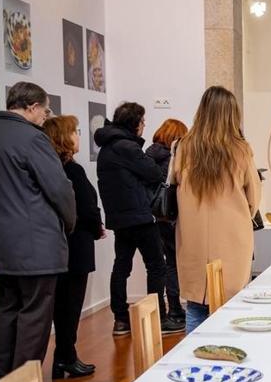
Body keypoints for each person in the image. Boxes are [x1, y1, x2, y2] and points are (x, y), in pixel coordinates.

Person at [0, 82, 75, 382]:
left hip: (1, 242)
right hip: (36, 245)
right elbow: (59, 189)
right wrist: (69, 223)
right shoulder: (32, 138)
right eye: (45, 110)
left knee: (10, 310)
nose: (46, 117)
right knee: (35, 315)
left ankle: (3, 380)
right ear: (31, 107)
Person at [173, 86, 262, 332]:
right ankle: (227, 357)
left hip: (193, 236)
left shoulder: (183, 146)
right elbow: (253, 197)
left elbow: (174, 182)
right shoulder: (241, 149)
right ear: (231, 114)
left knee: (196, 305)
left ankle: (196, 359)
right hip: (232, 237)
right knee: (231, 306)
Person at [97, 103, 184, 336]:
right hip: (140, 216)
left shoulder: (107, 148)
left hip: (118, 217)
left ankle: (121, 319)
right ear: (135, 123)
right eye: (143, 122)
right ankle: (158, 317)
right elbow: (155, 174)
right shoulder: (128, 147)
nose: (144, 126)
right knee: (156, 267)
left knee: (121, 267)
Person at [43, 115, 104, 380]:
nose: (79, 136)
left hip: (61, 244)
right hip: (76, 243)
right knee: (70, 305)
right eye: (75, 132)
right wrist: (96, 226)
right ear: (63, 138)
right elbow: (85, 207)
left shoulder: (52, 168)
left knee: (62, 305)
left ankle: (63, 358)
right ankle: (66, 357)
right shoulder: (72, 170)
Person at [145, 119, 189, 322]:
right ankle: (175, 308)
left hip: (157, 215)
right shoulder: (171, 158)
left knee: (168, 262)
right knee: (174, 262)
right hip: (172, 216)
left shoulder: (148, 154)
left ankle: (173, 308)